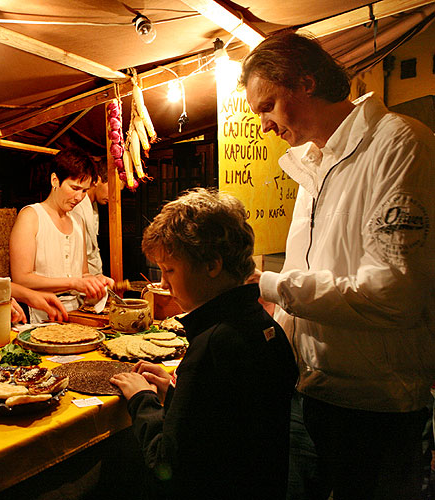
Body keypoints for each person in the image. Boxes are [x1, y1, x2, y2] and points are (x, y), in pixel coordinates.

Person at [239, 31, 435, 500]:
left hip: (375, 406)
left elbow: (393, 295)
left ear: (306, 82)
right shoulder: (312, 163)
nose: (264, 125)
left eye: (267, 106)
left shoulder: (399, 144)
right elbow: (319, 268)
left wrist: (269, 285)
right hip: (310, 390)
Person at [110, 188, 298, 499]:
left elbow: (167, 462)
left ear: (212, 265)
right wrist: (174, 392)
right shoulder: (265, 327)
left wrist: (142, 399)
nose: (165, 284)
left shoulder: (213, 345)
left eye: (170, 270)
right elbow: (220, 428)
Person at [10, 146, 114, 323]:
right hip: (41, 313)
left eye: (84, 191)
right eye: (74, 188)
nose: (79, 197)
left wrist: (95, 281)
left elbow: (83, 273)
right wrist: (73, 283)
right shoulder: (31, 216)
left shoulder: (77, 221)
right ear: (55, 180)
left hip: (76, 314)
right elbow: (21, 279)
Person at [71, 162, 110, 275]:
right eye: (111, 188)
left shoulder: (93, 207)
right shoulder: (76, 206)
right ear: (97, 180)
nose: (114, 196)